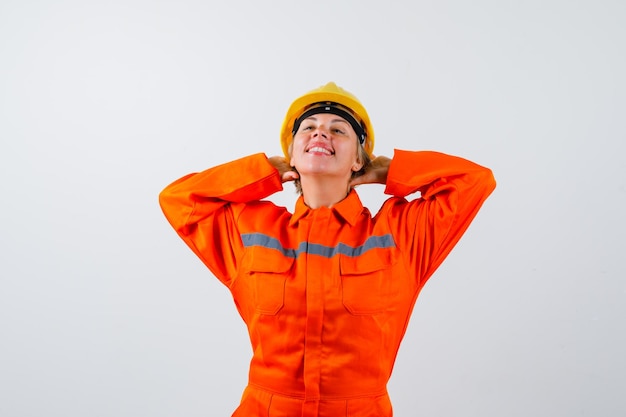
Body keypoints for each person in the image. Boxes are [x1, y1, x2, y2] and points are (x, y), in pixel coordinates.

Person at [159, 82, 496, 417]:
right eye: (308, 128)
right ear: (292, 153)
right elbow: (178, 199)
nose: (321, 134)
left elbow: (474, 181)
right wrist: (262, 173)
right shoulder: (250, 230)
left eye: (338, 130)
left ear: (358, 161)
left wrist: (392, 171)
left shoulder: (401, 234)